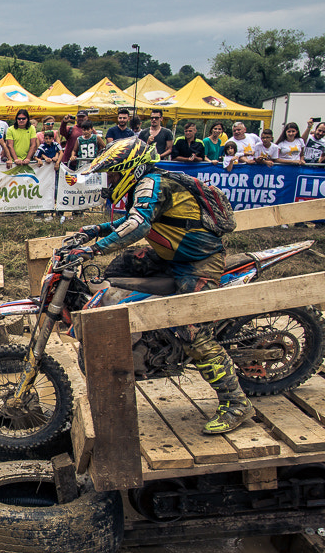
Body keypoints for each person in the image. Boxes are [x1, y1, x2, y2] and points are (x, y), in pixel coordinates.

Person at [71, 138, 253, 435]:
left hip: (198, 263)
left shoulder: (153, 184)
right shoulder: (146, 184)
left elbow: (139, 225)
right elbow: (132, 220)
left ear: (131, 169)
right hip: (172, 256)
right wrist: (96, 230)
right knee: (121, 267)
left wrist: (94, 249)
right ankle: (145, 334)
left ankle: (236, 403)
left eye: (114, 173)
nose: (111, 180)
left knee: (192, 331)